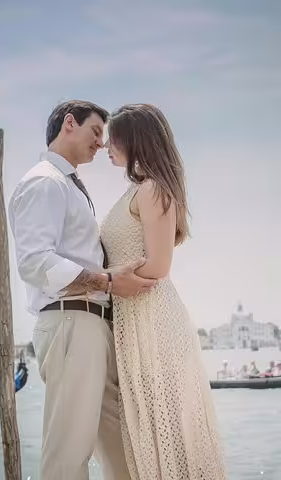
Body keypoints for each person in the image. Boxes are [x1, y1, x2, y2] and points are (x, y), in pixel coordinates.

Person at [8, 100, 156, 479]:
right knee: (68, 451)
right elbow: (34, 262)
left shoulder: (66, 184)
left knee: (120, 448)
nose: (101, 143)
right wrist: (107, 280)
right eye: (95, 132)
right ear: (69, 123)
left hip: (93, 323)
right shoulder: (45, 182)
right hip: (71, 320)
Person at [101, 103, 226, 478]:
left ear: (134, 139)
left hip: (152, 319)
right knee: (149, 427)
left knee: (168, 426)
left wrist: (101, 276)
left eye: (113, 137)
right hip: (133, 319)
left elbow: (158, 267)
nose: (107, 144)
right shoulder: (136, 190)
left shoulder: (153, 188)